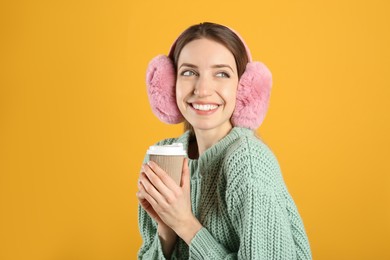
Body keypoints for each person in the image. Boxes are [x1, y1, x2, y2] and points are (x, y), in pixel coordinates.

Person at [136, 22, 311, 259]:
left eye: (221, 73)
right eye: (189, 72)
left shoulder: (249, 161)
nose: (203, 89)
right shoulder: (164, 157)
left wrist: (185, 224)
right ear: (169, 84)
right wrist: (167, 228)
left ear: (245, 88)